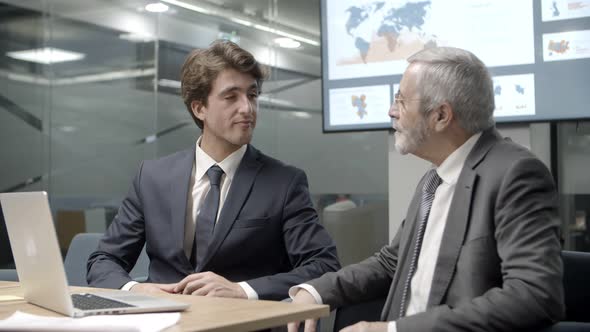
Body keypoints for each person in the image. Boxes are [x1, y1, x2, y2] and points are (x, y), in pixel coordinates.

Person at [289, 47, 564, 331]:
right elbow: (392, 262)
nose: (391, 111)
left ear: (441, 116)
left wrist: (392, 331)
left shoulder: (515, 174)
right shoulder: (434, 179)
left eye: (401, 101)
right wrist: (316, 291)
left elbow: (534, 296)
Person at [87, 40, 340, 301]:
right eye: (231, 96)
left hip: (241, 324)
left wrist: (242, 289)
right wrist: (137, 289)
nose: (247, 108)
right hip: (161, 321)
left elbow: (323, 265)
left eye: (252, 95)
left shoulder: (284, 182)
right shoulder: (152, 178)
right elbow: (103, 260)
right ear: (199, 108)